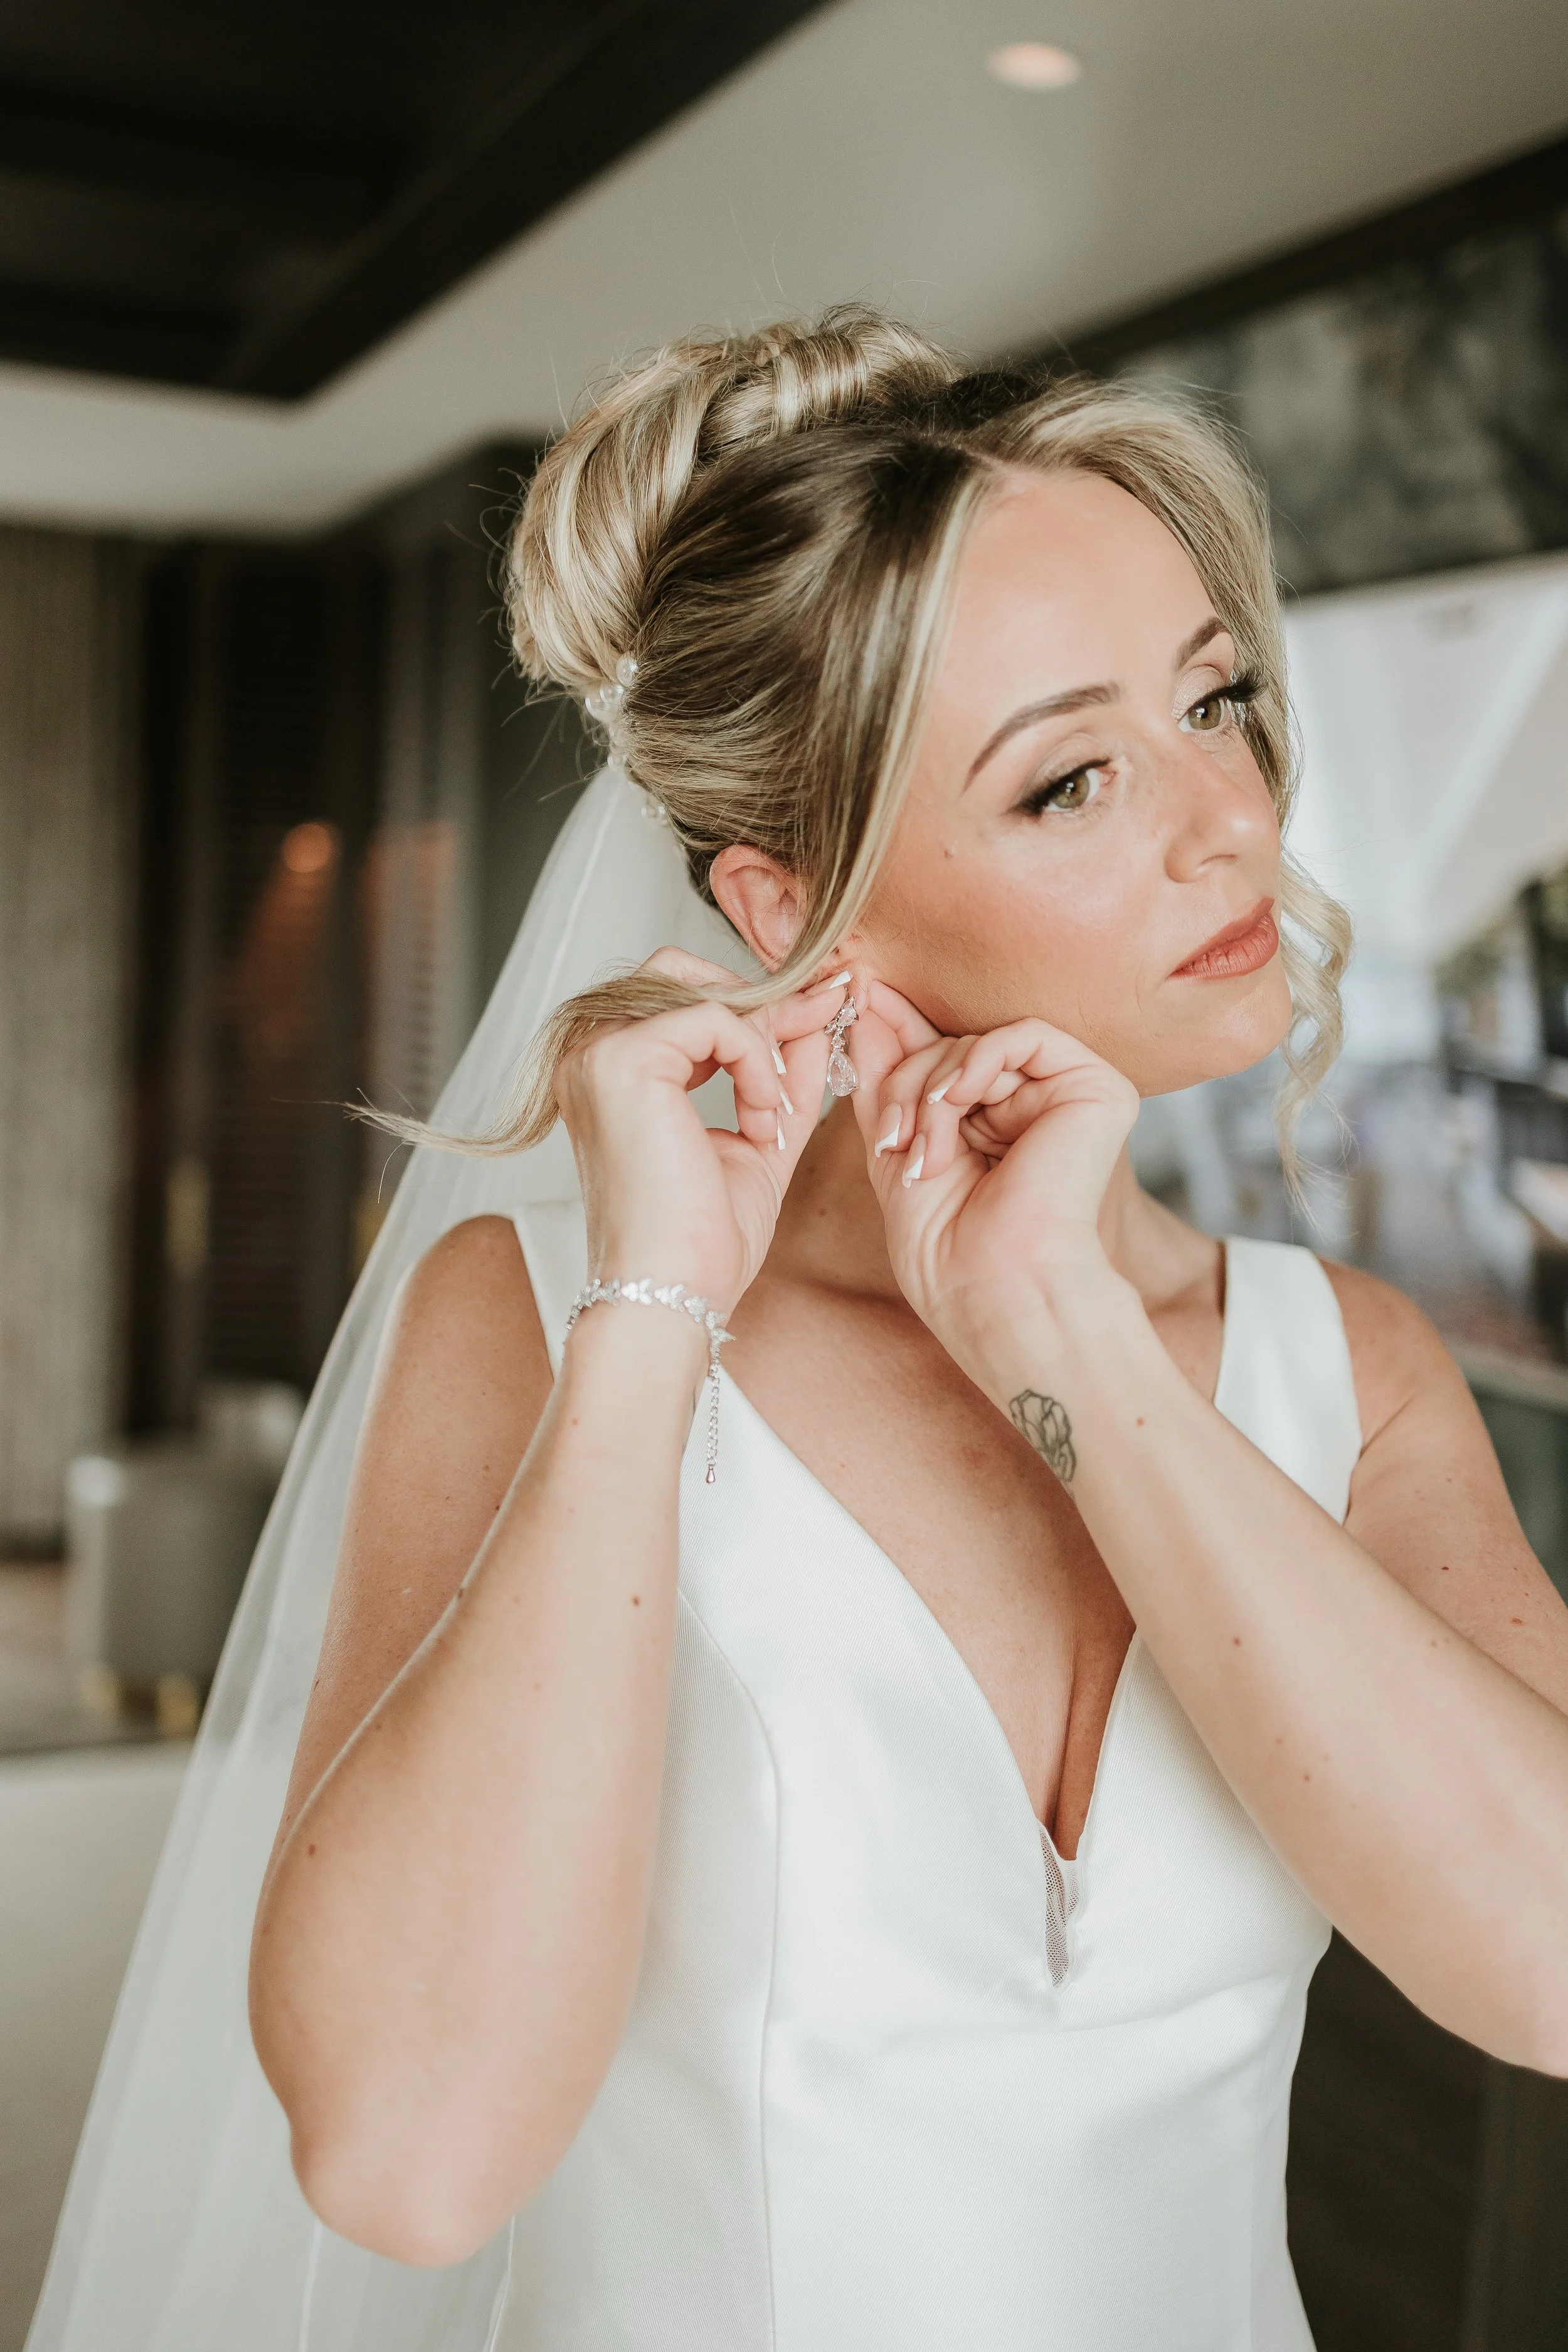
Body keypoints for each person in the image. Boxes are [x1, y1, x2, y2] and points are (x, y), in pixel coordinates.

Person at [34, 312, 1568, 2352]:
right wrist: (652, 1312)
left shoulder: (1344, 1368)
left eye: (1216, 698)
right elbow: (406, 2156)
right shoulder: (539, 1322)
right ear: (789, 906)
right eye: (1072, 778)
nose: (1230, 818)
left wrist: (1068, 1335)